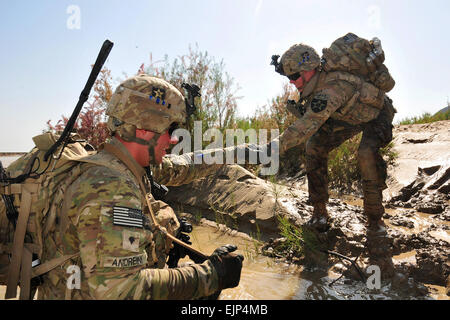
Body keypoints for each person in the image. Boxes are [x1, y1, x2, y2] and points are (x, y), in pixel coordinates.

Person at [36, 74, 243, 299]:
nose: (173, 140)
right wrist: (211, 274)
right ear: (145, 128)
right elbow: (122, 290)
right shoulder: (112, 187)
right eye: (170, 129)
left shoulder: (113, 167)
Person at [266, 42, 397, 275]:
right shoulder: (317, 87)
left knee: (366, 154)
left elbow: (305, 125)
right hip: (347, 117)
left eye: (295, 75)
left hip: (377, 115)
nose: (292, 81)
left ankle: (376, 223)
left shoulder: (334, 87)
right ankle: (319, 214)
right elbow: (311, 128)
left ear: (310, 69)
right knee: (314, 146)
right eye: (288, 77)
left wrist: (273, 147)